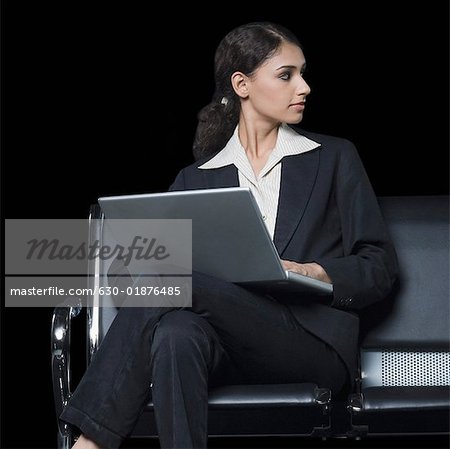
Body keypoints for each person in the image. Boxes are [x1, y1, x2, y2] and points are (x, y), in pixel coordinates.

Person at [60, 21, 399, 449]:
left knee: (173, 284)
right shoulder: (196, 180)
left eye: (303, 72)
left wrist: (313, 271)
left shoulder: (333, 158)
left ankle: (88, 440)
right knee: (176, 334)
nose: (305, 86)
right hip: (224, 347)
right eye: (286, 74)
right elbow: (131, 281)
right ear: (242, 84)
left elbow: (379, 266)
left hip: (310, 344)